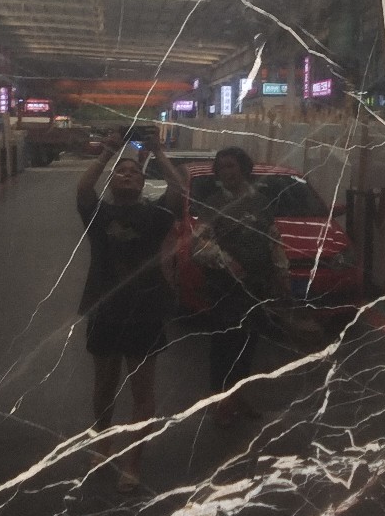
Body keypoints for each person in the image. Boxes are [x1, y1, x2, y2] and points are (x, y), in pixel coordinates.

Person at [76, 129, 185, 492]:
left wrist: (159, 153)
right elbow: (83, 190)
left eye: (134, 172)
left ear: (142, 183)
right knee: (103, 387)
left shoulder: (154, 216)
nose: (127, 174)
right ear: (111, 182)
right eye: (120, 172)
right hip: (105, 309)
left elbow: (178, 191)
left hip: (145, 311)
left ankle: (133, 461)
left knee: (142, 390)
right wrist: (106, 152)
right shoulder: (99, 214)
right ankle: (103, 443)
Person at [189, 146, 290, 427]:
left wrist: (282, 272)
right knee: (224, 347)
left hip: (257, 287)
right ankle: (221, 403)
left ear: (244, 168)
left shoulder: (261, 202)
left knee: (248, 345)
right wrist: (226, 261)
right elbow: (197, 245)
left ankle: (239, 397)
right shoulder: (213, 204)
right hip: (225, 289)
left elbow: (273, 238)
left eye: (231, 166)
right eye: (222, 168)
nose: (227, 172)